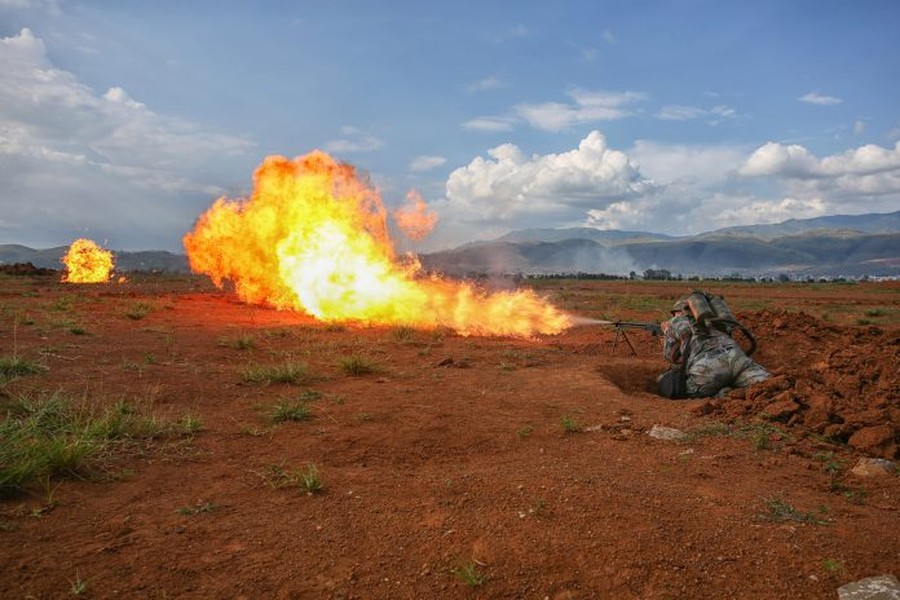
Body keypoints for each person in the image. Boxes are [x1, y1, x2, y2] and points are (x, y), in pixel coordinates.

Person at [658, 291, 770, 398]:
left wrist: (667, 332)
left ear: (681, 310)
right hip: (738, 359)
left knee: (674, 389)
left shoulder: (676, 321)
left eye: (674, 313)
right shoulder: (717, 320)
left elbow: (671, 356)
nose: (673, 316)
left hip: (708, 369)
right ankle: (738, 387)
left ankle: (721, 395)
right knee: (767, 386)